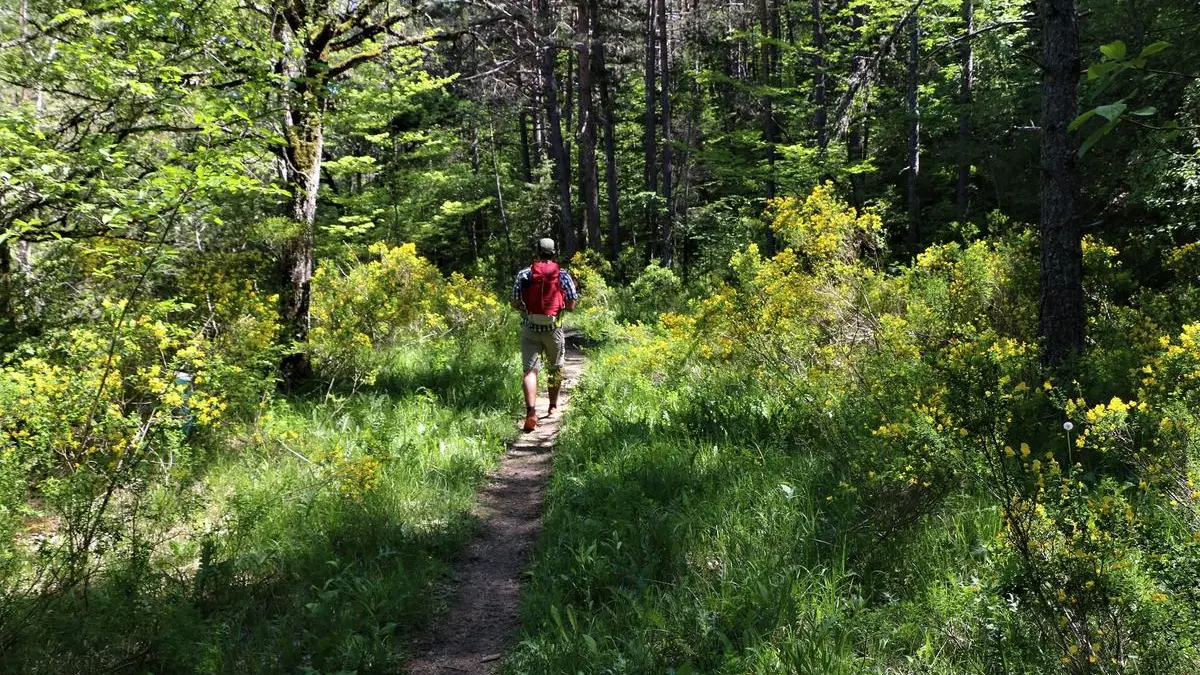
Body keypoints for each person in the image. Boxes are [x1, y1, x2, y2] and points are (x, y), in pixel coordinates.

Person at [511, 237, 579, 432]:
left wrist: (526, 310)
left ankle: (531, 412)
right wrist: (558, 307)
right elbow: (572, 304)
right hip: (553, 329)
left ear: (537, 252)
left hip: (530, 328)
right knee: (554, 368)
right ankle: (553, 408)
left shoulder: (525, 274)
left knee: (530, 371)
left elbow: (515, 302)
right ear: (553, 252)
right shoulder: (563, 274)